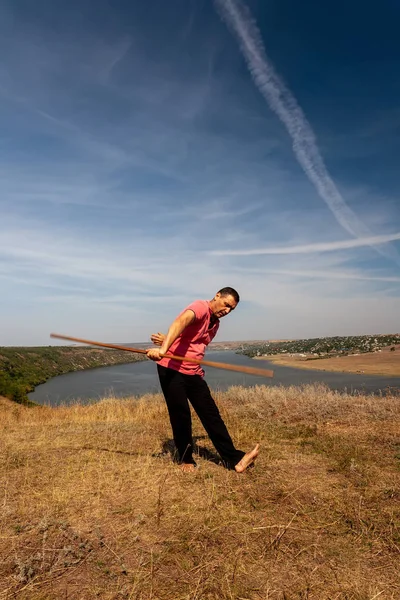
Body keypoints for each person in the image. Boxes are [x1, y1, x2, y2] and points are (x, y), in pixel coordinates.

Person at [146, 287, 260, 473]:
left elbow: (190, 342)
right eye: (226, 305)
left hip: (193, 371)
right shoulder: (199, 307)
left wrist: (167, 341)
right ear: (217, 296)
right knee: (181, 414)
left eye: (232, 309)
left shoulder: (215, 324)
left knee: (211, 414)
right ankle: (185, 459)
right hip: (171, 369)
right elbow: (179, 324)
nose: (227, 311)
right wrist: (163, 350)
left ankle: (235, 459)